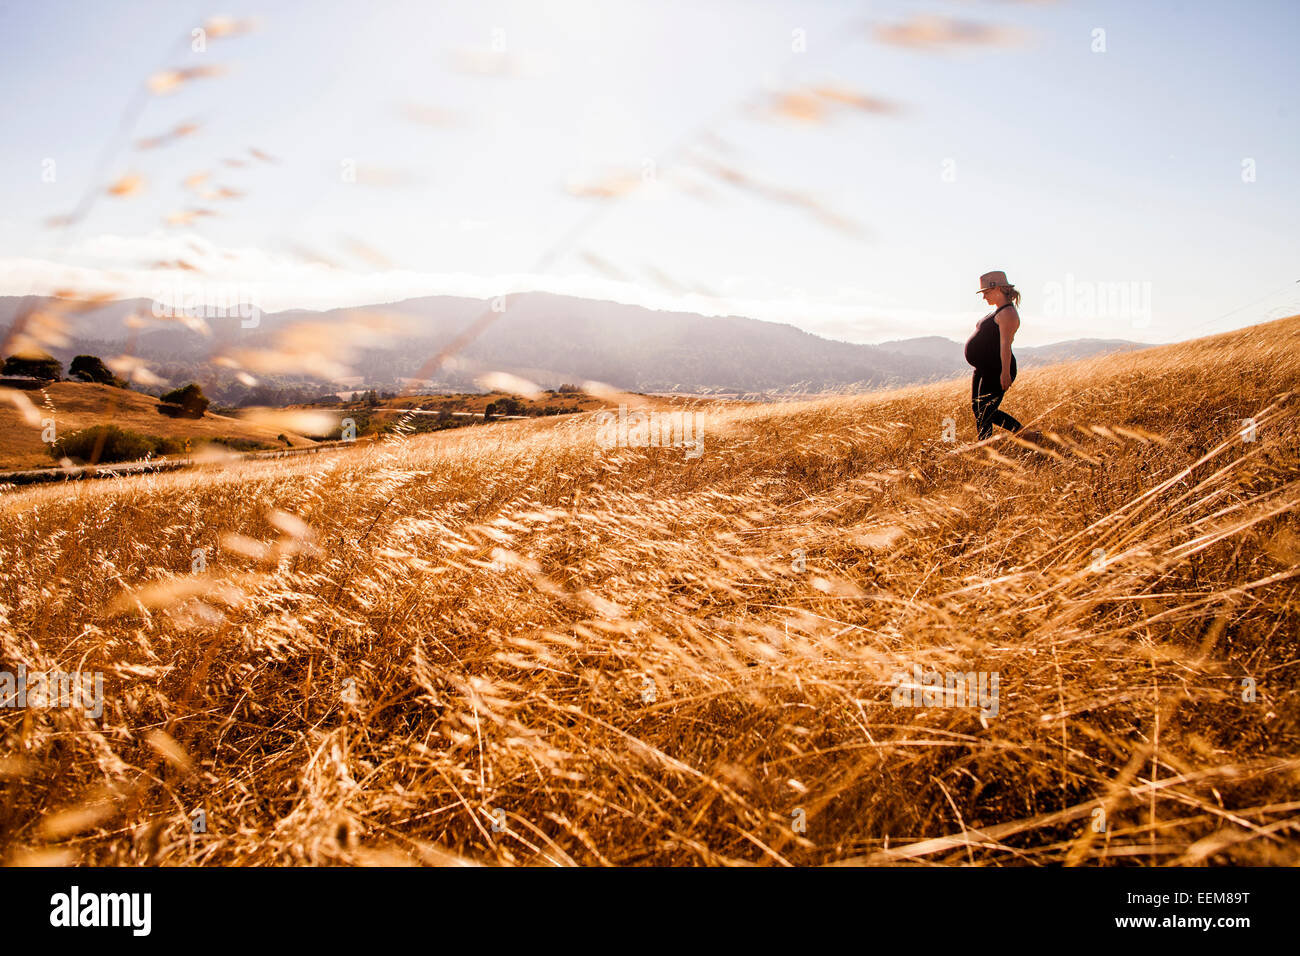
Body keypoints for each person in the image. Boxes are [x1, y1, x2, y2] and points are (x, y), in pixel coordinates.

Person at [964, 270, 1025, 440]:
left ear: (997, 288)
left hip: (996, 368)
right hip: (984, 368)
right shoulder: (998, 311)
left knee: (985, 410)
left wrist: (1005, 373)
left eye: (986, 292)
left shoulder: (1008, 313)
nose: (984, 297)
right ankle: (985, 445)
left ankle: (1025, 434)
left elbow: (1006, 345)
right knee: (979, 410)